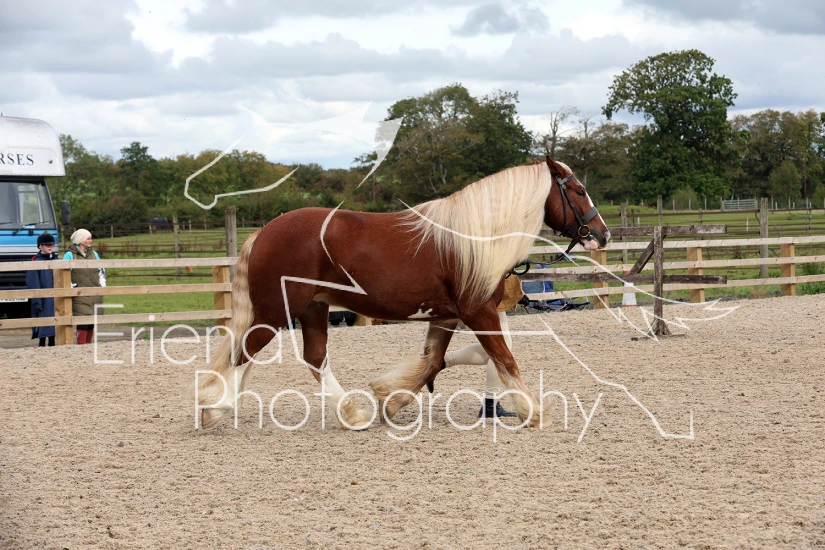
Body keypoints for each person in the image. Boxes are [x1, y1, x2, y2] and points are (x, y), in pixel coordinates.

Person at [428, 274, 524, 418]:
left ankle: (441, 361)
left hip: (486, 283)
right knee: (501, 348)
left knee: (492, 350)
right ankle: (490, 404)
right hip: (486, 284)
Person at [62, 229, 105, 344]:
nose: (91, 241)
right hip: (80, 294)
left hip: (95, 292)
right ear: (81, 240)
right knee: (82, 321)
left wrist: (102, 282)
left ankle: (88, 345)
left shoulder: (94, 254)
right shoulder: (70, 255)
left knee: (91, 322)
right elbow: (63, 273)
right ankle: (81, 346)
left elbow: (101, 269)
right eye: (88, 238)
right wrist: (70, 285)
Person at [26, 231, 58, 347]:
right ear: (40, 246)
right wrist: (37, 301)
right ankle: (42, 344)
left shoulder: (56, 260)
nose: (50, 247)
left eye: (52, 245)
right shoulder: (36, 262)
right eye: (47, 245)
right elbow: (33, 282)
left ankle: (52, 343)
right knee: (43, 323)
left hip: (55, 297)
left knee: (55, 324)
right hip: (44, 298)